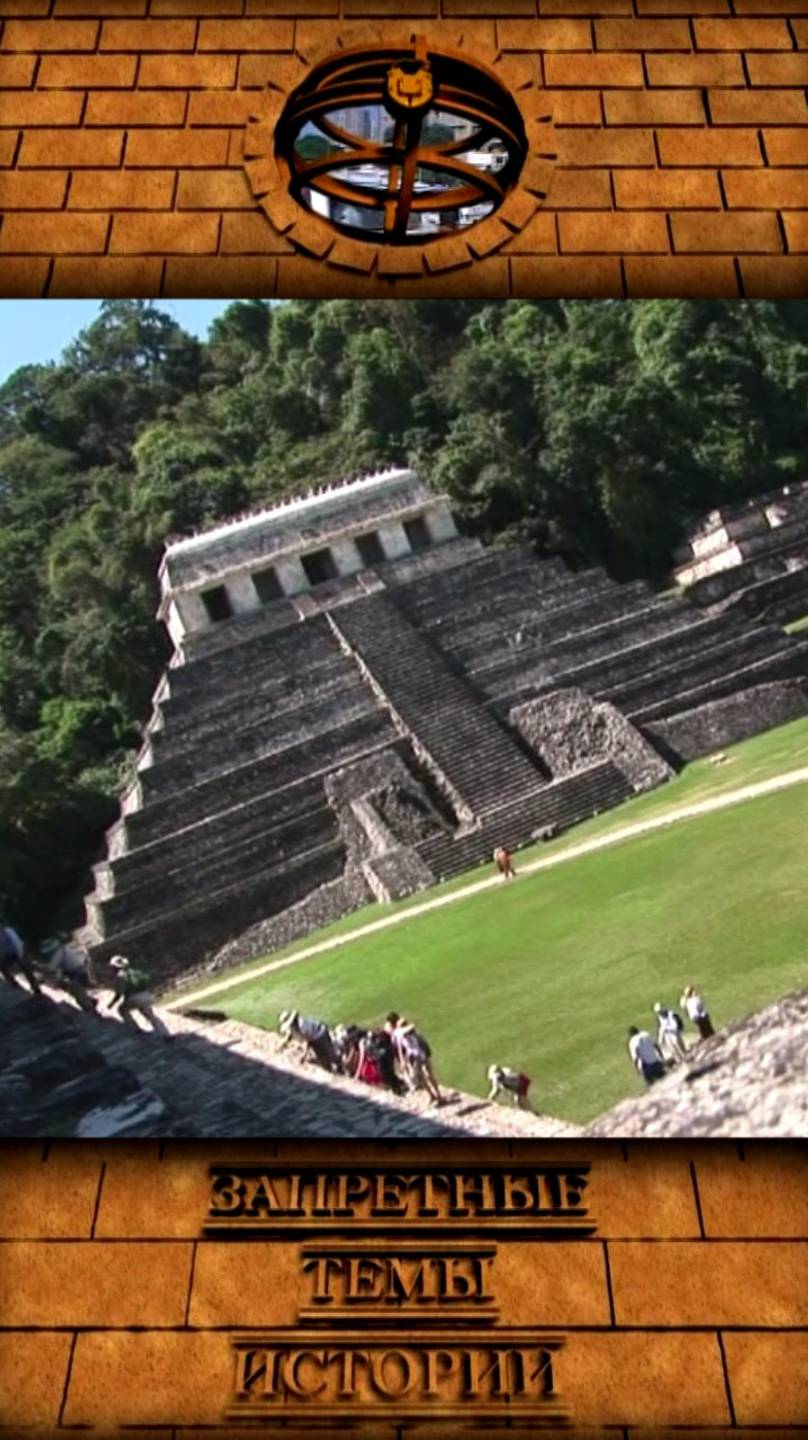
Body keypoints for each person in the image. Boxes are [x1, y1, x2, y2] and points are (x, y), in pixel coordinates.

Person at [107, 956, 172, 1038]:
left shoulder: (120, 976)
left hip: (134, 998)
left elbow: (119, 993)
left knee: (122, 1010)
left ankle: (135, 1030)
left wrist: (111, 1004)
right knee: (150, 1015)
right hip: (146, 994)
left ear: (114, 967)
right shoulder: (134, 971)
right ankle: (165, 1034)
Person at [387, 1013, 442, 1105]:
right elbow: (401, 1048)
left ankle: (438, 1095)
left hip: (422, 1055)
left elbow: (422, 1043)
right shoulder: (400, 1035)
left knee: (429, 1075)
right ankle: (431, 1095)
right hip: (414, 1058)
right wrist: (403, 1060)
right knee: (421, 1078)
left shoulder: (413, 1033)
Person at [40, 936, 98, 1014]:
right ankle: (90, 1000)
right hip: (81, 969)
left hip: (78, 972)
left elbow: (51, 968)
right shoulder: (64, 949)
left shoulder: (58, 954)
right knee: (73, 987)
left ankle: (89, 1006)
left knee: (76, 990)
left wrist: (41, 970)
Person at [0, 921, 43, 995]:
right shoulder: (9, 930)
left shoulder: (9, 931)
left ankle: (13, 982)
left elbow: (18, 943)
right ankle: (34, 987)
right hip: (14, 955)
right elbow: (19, 944)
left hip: (11, 955)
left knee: (5, 967)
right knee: (25, 967)